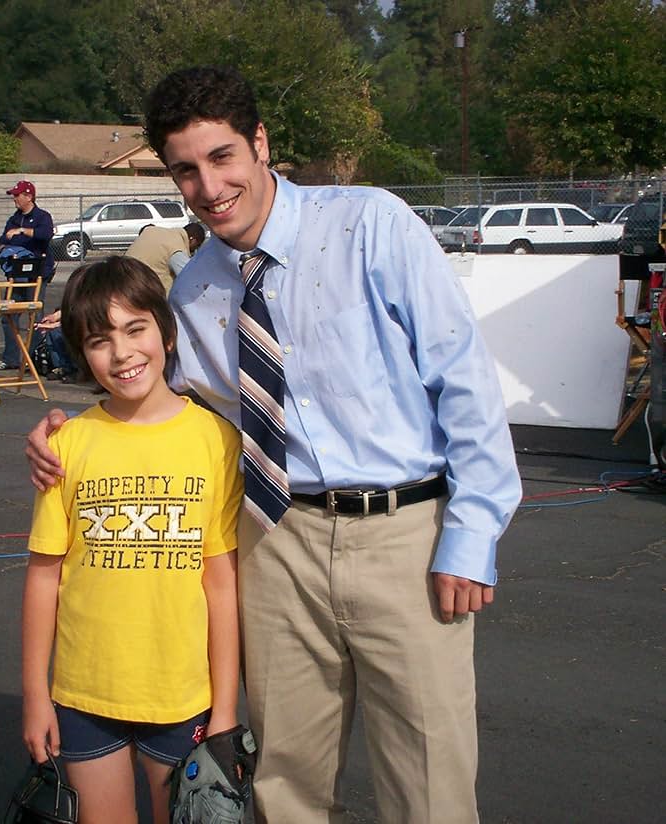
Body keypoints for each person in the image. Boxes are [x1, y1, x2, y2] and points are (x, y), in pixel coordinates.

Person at [26, 65, 522, 824]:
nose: (208, 185)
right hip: (274, 545)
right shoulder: (193, 295)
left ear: (261, 144)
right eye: (184, 169)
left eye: (222, 156)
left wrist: (474, 531)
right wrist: (69, 426)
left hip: (405, 541)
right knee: (284, 783)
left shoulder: (371, 225)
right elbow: (158, 398)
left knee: (429, 785)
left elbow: (462, 378)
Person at [21, 254, 243, 824]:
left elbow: (221, 584)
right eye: (99, 340)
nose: (121, 354)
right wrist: (35, 694)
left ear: (166, 333)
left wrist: (224, 712)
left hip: (181, 695)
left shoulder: (214, 440)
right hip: (84, 694)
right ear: (82, 353)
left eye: (135, 329)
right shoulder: (66, 445)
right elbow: (45, 577)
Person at [0, 180, 55, 370]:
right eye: (13, 195)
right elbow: (2, 241)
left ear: (28, 196)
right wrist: (9, 249)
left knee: (35, 317)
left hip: (37, 274)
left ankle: (32, 359)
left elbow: (45, 235)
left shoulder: (42, 217)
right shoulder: (13, 218)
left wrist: (23, 232)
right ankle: (10, 358)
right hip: (16, 275)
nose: (14, 199)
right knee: (8, 316)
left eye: (17, 195)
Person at [124, 222, 206, 293]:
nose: (195, 250)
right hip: (145, 292)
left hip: (123, 280)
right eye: (197, 245)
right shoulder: (176, 248)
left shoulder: (154, 231)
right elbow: (190, 278)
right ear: (193, 240)